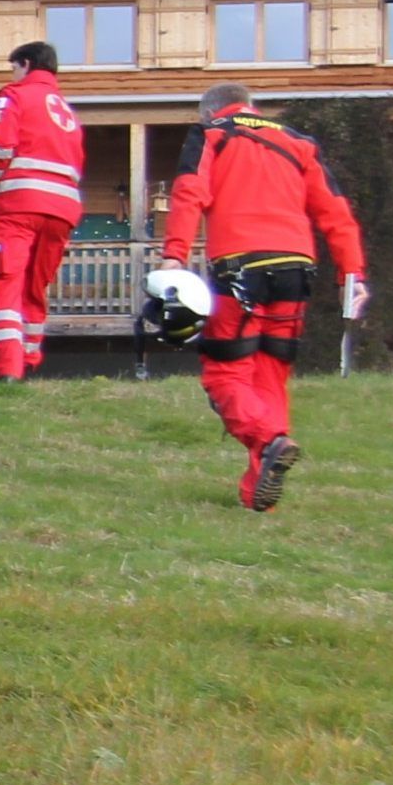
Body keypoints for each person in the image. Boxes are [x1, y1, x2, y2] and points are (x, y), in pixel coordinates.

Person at [157, 82, 369, 512]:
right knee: (269, 377)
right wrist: (353, 274)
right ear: (251, 107)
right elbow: (336, 213)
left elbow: (188, 192)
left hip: (240, 268)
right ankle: (260, 493)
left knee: (224, 375)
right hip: (296, 269)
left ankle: (270, 440)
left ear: (208, 112)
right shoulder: (298, 142)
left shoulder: (212, 134)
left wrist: (174, 256)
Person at [0, 40, 85, 381]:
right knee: (35, 287)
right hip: (63, 208)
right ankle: (28, 359)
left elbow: (3, 146)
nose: (13, 73)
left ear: (25, 63)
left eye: (14, 67)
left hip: (19, 204)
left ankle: (6, 370)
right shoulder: (66, 110)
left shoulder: (14, 95)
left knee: (7, 281)